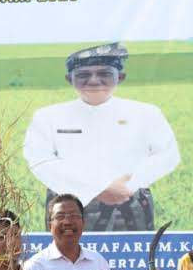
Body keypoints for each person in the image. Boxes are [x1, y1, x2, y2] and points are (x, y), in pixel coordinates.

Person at [23, 42, 180, 231]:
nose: (94, 81)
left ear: (120, 77)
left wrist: (127, 186)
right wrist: (98, 188)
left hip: (130, 203)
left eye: (104, 73)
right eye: (83, 74)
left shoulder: (146, 113)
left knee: (131, 257)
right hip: (70, 206)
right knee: (67, 259)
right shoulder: (48, 116)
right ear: (69, 78)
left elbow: (168, 155)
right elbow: (40, 160)